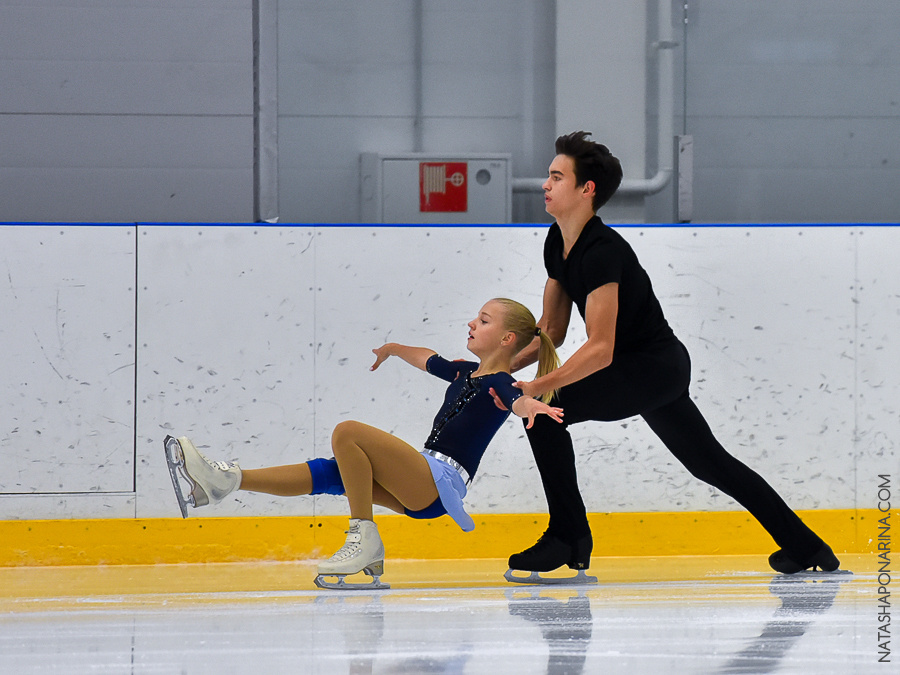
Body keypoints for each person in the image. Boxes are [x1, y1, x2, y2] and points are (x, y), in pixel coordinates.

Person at [493, 131, 840, 577]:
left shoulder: (603, 251)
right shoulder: (555, 243)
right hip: (645, 369)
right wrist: (497, 367)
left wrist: (538, 387)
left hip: (650, 368)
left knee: (543, 413)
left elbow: (600, 348)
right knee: (710, 463)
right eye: (548, 175)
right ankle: (808, 548)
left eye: (556, 177)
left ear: (586, 190)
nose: (545, 184)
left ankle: (568, 536)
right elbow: (551, 330)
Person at [164, 298, 564, 588]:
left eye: (484, 320)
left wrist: (530, 404)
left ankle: (363, 536)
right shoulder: (464, 373)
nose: (471, 323)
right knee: (333, 471)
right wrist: (393, 349)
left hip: (441, 481)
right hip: (424, 479)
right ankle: (228, 481)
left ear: (508, 338)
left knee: (348, 433)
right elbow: (429, 358)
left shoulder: (501, 382)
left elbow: (516, 398)